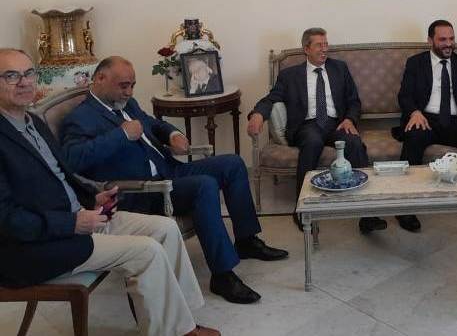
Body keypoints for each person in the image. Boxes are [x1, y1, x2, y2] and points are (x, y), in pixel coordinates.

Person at [0, 48, 219, 336]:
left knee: (166, 229)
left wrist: (92, 198)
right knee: (147, 251)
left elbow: (62, 177)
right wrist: (71, 223)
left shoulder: (33, 122)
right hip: (37, 246)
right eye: (11, 76)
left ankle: (182, 322)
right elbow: (7, 220)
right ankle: (175, 332)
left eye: (29, 73)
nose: (24, 82)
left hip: (76, 217)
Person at [60, 56, 288, 305]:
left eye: (133, 85)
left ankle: (246, 240)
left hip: (169, 170)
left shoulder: (127, 103)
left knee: (233, 164)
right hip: (144, 192)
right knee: (204, 186)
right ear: (100, 78)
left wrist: (173, 134)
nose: (129, 92)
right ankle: (223, 275)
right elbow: (73, 159)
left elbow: (153, 124)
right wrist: (121, 135)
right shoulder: (80, 117)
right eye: (124, 86)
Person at [247, 28, 385, 234]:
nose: (324, 49)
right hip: (307, 125)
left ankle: (367, 214)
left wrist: (349, 119)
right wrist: (258, 114)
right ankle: (302, 209)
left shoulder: (339, 68)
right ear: (306, 49)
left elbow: (354, 101)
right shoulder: (290, 75)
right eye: (319, 45)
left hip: (337, 123)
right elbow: (271, 99)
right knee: (312, 142)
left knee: (354, 142)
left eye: (326, 44)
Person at [397, 19, 457, 231]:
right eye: (442, 39)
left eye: (451, 39)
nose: (448, 44)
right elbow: (405, 95)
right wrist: (414, 113)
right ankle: (406, 207)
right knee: (413, 135)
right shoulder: (415, 63)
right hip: (426, 120)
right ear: (430, 40)